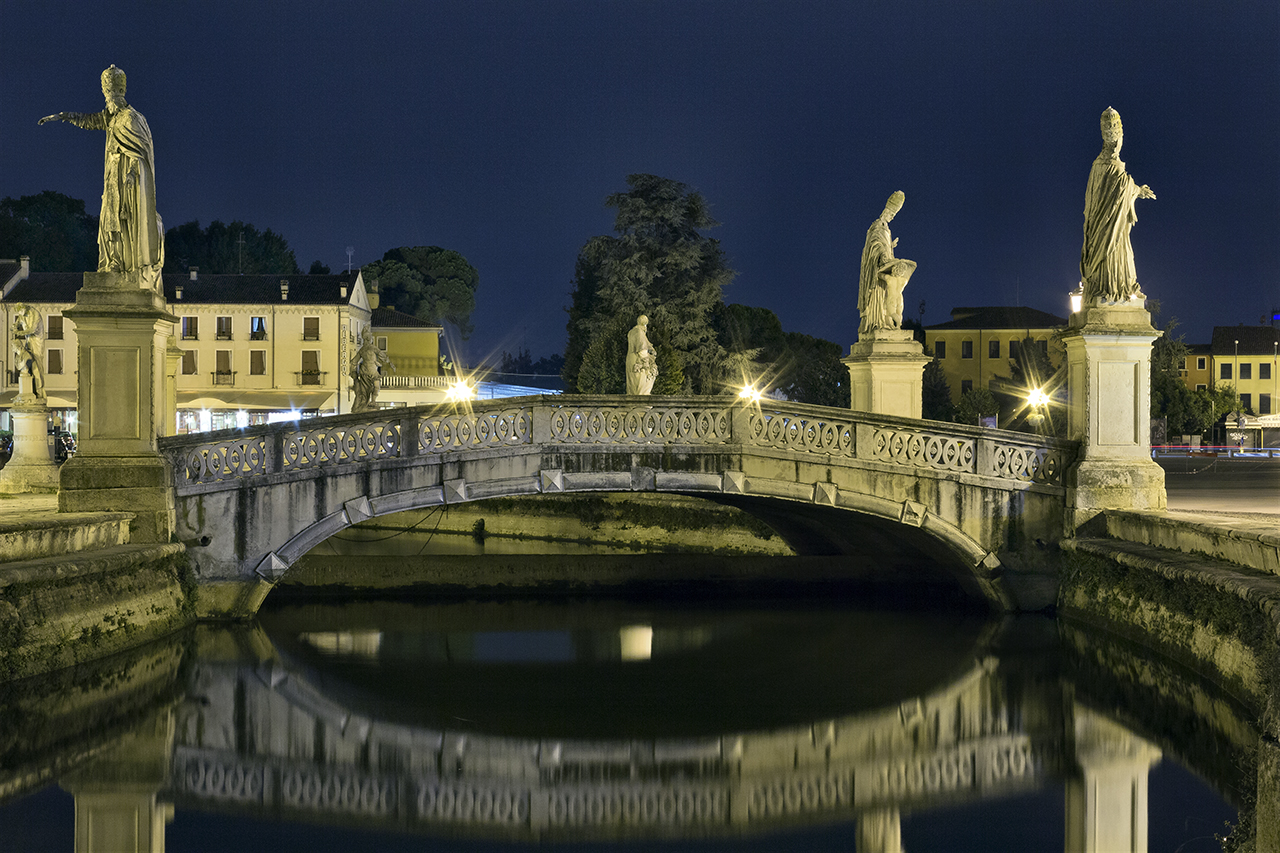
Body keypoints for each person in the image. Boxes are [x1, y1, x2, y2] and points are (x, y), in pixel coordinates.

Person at [39, 65, 164, 290]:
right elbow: (90, 120)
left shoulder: (131, 119)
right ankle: (112, 263)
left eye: (109, 99)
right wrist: (63, 116)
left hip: (126, 182)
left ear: (117, 96)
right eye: (106, 98)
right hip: (111, 179)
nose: (107, 104)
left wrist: (131, 175)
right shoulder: (111, 117)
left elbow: (140, 154)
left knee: (122, 220)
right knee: (109, 221)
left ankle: (123, 263)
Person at [1080, 107, 1156, 304]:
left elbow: (1116, 191)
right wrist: (1137, 190)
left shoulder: (1100, 165)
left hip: (1111, 226)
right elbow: (1115, 192)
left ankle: (1118, 288)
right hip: (1109, 228)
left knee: (1123, 255)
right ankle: (1111, 289)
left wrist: (1135, 189)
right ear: (1117, 140)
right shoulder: (1106, 165)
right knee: (1118, 254)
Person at [857, 191, 915, 335]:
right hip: (877, 268)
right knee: (879, 296)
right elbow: (874, 244)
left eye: (893, 215)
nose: (892, 217)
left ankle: (887, 322)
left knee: (888, 301)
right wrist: (883, 253)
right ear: (885, 211)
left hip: (885, 268)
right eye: (891, 214)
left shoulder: (886, 228)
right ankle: (877, 322)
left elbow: (882, 244)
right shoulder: (877, 226)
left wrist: (890, 247)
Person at [351, 326, 393, 412]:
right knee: (376, 387)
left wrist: (353, 370)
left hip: (365, 371)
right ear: (368, 339)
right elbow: (383, 355)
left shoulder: (362, 350)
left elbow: (354, 361)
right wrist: (389, 363)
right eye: (370, 338)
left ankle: (369, 403)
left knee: (367, 389)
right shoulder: (372, 348)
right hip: (371, 370)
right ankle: (372, 402)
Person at [625, 315, 658, 395]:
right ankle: (640, 405)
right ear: (645, 324)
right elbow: (642, 349)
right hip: (639, 361)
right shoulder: (639, 332)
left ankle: (634, 405)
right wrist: (648, 359)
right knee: (642, 387)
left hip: (631, 359)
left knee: (633, 385)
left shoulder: (631, 332)